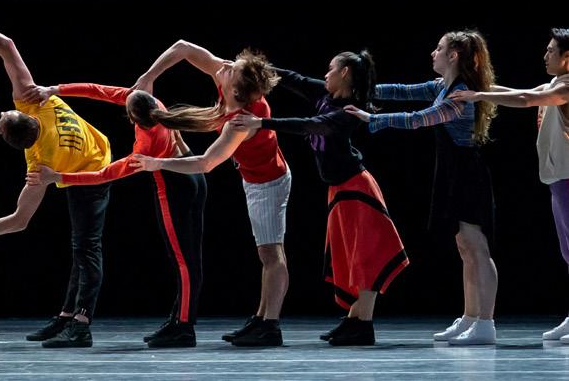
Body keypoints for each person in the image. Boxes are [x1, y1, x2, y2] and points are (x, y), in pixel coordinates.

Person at [0, 20, 113, 349]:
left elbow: (19, 221)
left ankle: (82, 325)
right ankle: (67, 316)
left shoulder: (38, 162)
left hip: (96, 169)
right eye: (5, 115)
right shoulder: (38, 103)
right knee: (81, 249)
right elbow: (6, 44)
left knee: (87, 248)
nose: (3, 110)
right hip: (83, 165)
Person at [230, 51, 408, 346]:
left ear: (345, 72)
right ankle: (354, 319)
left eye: (330, 69)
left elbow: (310, 125)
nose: (325, 74)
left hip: (357, 188)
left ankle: (363, 324)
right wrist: (254, 67)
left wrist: (261, 123)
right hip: (340, 189)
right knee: (348, 256)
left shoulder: (349, 111)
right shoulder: (324, 93)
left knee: (364, 256)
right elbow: (294, 79)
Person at [129, 40, 292, 347]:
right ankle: (261, 318)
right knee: (267, 253)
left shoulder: (241, 122)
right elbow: (182, 48)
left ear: (236, 92)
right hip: (254, 178)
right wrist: (148, 76)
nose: (225, 65)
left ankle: (270, 325)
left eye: (232, 70)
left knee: (272, 254)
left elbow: (205, 163)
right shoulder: (231, 82)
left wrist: (157, 163)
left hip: (269, 183)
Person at [346, 30, 498, 345]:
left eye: (439, 48)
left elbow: (419, 118)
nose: (433, 53)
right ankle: (470, 317)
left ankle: (486, 323)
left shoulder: (459, 95)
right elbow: (402, 92)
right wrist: (360, 90)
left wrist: (371, 118)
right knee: (465, 247)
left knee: (477, 247)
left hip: (467, 175)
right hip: (453, 174)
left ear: (453, 55)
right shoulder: (443, 86)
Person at [25, 82, 205, 348]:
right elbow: (99, 91)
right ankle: (178, 320)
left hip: (175, 185)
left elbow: (103, 175)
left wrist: (58, 177)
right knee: (189, 258)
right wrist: (56, 89)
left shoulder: (145, 146)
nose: (124, 95)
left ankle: (185, 326)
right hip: (192, 173)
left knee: (184, 261)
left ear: (132, 117)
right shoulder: (153, 104)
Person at [447, 28, 569, 343]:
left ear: (567, 57)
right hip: (558, 179)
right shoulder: (555, 83)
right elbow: (517, 91)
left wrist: (479, 96)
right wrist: (472, 85)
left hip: (568, 179)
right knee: (567, 251)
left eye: (551, 50)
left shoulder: (567, 86)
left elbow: (527, 99)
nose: (545, 55)